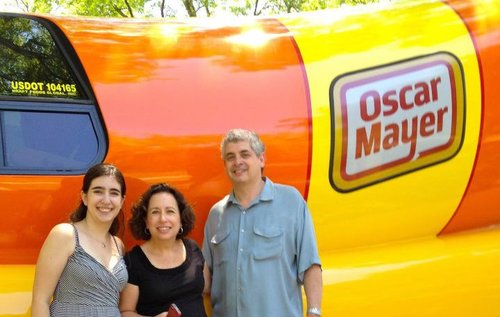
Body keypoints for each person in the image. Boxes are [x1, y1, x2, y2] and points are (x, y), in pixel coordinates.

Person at [202, 128, 323, 317]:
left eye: (245, 154)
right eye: (230, 157)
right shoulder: (216, 214)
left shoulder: (291, 201)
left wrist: (314, 312)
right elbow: (205, 280)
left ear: (261, 159)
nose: (237, 162)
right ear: (225, 165)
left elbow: (310, 266)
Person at [31, 163, 128, 317]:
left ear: (122, 201)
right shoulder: (65, 234)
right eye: (98, 191)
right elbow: (40, 300)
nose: (106, 200)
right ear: (84, 197)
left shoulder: (119, 245)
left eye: (114, 193)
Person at [119, 183, 208, 317]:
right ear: (146, 221)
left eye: (170, 211)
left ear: (181, 219)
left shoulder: (193, 248)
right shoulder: (133, 261)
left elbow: (204, 291)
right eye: (155, 212)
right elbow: (125, 312)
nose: (163, 219)